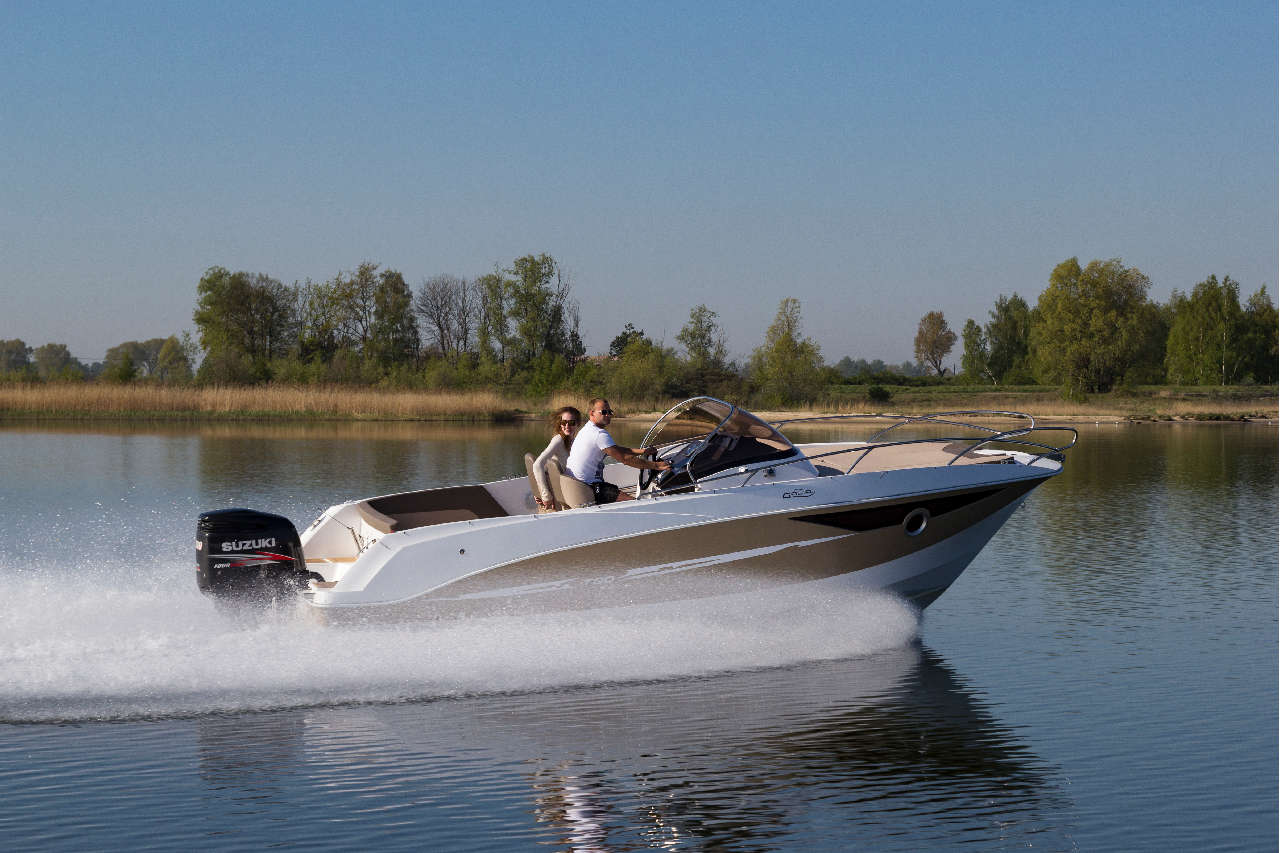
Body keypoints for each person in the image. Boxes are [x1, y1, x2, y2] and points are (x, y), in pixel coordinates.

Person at [565, 398, 671, 503]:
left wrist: (642, 451)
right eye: (604, 412)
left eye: (610, 412)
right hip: (588, 487)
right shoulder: (599, 434)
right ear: (592, 413)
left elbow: (616, 449)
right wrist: (657, 466)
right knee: (636, 504)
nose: (608, 415)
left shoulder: (588, 429)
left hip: (577, 484)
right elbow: (625, 459)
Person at [531, 406, 581, 511]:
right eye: (564, 422)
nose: (567, 426)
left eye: (571, 423)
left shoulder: (575, 442)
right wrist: (545, 495)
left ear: (577, 424)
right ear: (560, 424)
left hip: (569, 489)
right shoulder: (558, 440)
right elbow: (537, 464)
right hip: (563, 494)